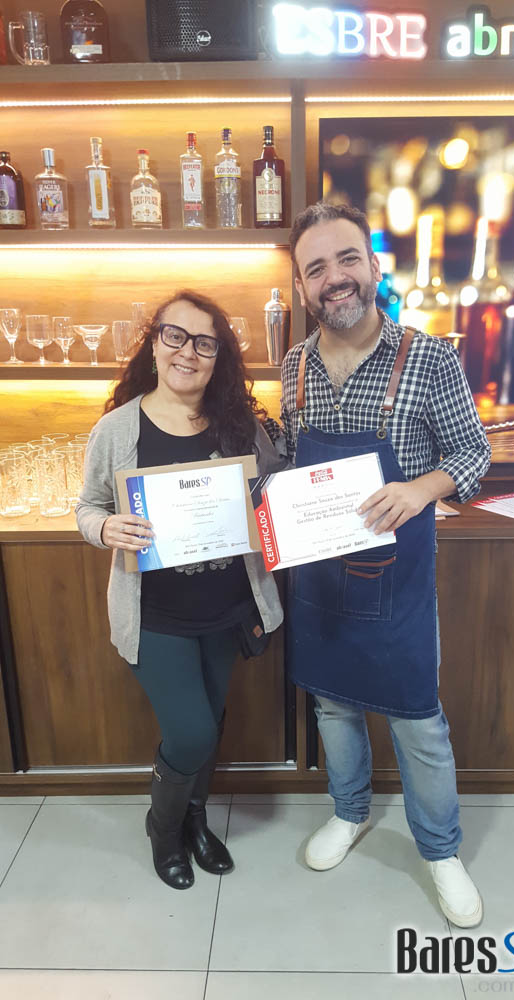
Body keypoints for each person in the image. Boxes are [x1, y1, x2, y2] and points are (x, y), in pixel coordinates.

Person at [281, 202, 492, 928]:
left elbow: (473, 453)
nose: (334, 277)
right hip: (317, 578)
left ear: (372, 266)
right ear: (302, 287)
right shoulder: (294, 366)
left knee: (417, 720)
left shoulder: (427, 357)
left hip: (397, 583)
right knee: (333, 704)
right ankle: (349, 812)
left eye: (347, 259)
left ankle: (439, 849)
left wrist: (421, 488)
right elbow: (291, 466)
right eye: (316, 268)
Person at [76, 289, 285, 891]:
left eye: (204, 343)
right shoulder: (117, 428)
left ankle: (195, 820)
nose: (187, 352)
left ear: (219, 359)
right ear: (154, 343)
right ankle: (163, 829)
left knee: (210, 721)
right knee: (191, 730)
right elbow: (88, 507)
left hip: (226, 607)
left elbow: (270, 492)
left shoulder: (240, 426)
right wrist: (105, 528)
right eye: (175, 336)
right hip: (156, 614)